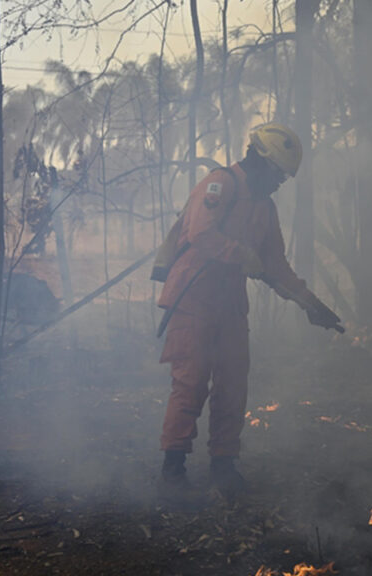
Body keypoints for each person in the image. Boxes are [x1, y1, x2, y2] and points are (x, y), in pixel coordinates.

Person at [155, 123, 342, 499]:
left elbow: (275, 265)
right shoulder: (219, 185)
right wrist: (242, 255)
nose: (279, 183)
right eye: (277, 174)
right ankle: (173, 468)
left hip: (229, 306)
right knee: (191, 383)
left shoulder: (265, 209)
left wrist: (310, 304)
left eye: (284, 178)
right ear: (259, 159)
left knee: (233, 384)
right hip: (192, 300)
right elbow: (201, 235)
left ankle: (224, 465)